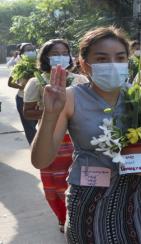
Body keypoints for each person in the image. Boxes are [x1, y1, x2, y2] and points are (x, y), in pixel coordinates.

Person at [30, 26, 141, 243]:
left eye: (120, 57)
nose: (113, 64)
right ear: (85, 64)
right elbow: (40, 160)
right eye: (102, 59)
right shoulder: (70, 97)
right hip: (89, 198)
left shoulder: (138, 97)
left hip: (136, 196)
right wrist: (49, 114)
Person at [23, 39, 88, 233]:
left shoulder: (80, 80)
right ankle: (63, 218)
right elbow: (27, 112)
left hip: (79, 139)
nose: (60, 56)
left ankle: (82, 215)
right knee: (56, 184)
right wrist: (51, 111)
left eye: (64, 52)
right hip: (52, 139)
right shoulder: (36, 81)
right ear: (45, 57)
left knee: (83, 181)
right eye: (54, 53)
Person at [8, 43, 38, 145]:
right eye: (28, 50)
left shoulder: (40, 65)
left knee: (35, 125)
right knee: (29, 128)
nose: (31, 52)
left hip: (38, 101)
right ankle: (35, 148)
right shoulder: (19, 66)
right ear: (22, 53)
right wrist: (23, 87)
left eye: (32, 49)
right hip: (23, 99)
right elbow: (10, 83)